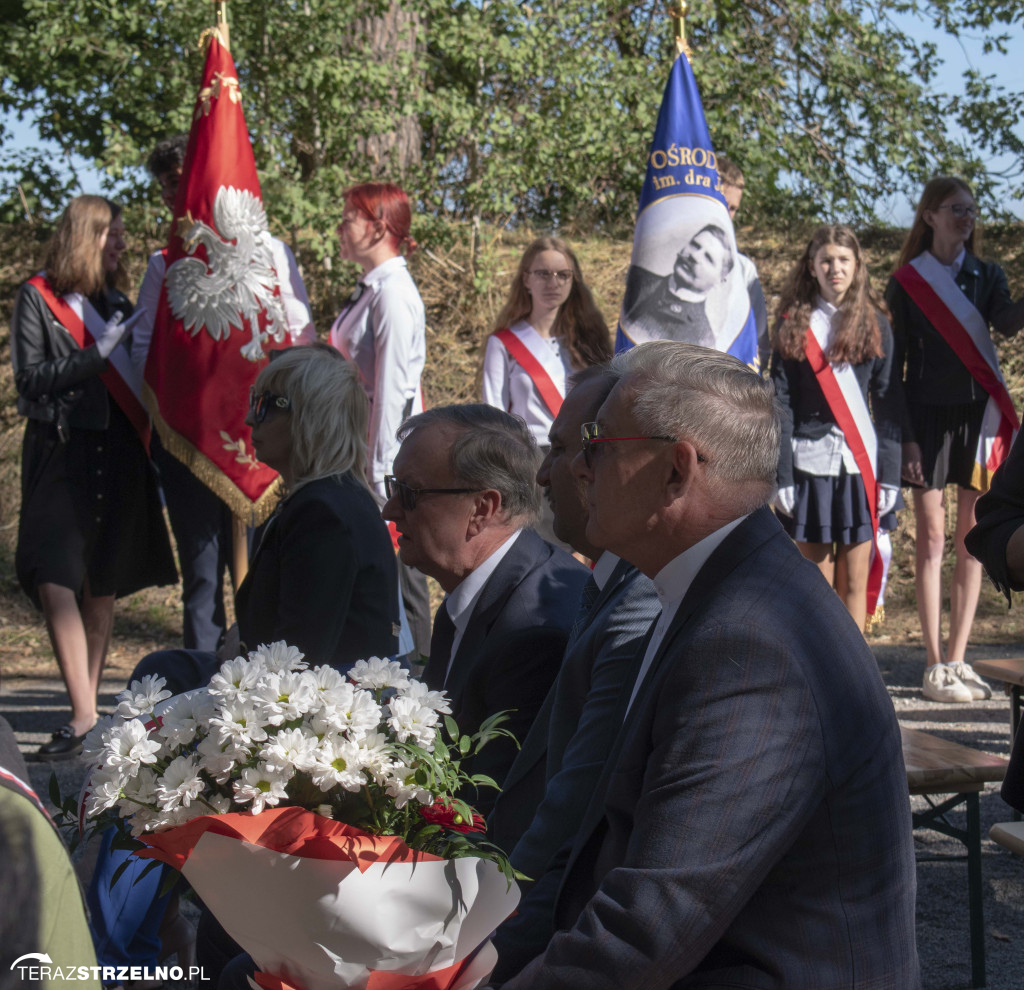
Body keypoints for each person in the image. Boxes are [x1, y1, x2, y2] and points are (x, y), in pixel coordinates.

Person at [498, 341, 919, 989]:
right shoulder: (712, 588)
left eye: (598, 446)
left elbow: (650, 926)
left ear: (676, 469)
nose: (578, 468)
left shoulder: (750, 642)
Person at [90, 344, 400, 973]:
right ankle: (152, 931)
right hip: (286, 707)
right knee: (164, 671)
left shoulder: (325, 512)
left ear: (307, 416)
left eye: (266, 405)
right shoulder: (326, 501)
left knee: (137, 775)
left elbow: (296, 665)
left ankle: (123, 956)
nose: (250, 420)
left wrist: (228, 661)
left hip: (299, 733)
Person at [487, 365, 660, 982]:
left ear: (603, 467)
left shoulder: (638, 605)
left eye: (557, 451)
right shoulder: (609, 581)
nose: (541, 474)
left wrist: (481, 959)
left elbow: (568, 819)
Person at [132, 134, 315, 653]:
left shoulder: (271, 253)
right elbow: (145, 350)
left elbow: (299, 330)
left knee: (269, 567)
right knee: (203, 575)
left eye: (182, 181)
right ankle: (199, 690)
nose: (176, 194)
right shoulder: (163, 264)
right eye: (169, 185)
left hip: (267, 436)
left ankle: (269, 682)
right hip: (189, 439)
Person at [11, 195, 176, 759]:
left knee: (101, 579)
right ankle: (82, 708)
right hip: (61, 450)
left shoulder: (118, 302)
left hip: (118, 452)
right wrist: (95, 355)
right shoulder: (37, 297)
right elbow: (30, 381)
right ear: (88, 235)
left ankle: (86, 717)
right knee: (54, 575)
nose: (123, 244)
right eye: (115, 235)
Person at [382, 404, 590, 814]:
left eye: (409, 493)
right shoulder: (476, 589)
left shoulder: (532, 634)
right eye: (393, 488)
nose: (389, 511)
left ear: (481, 509)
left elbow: (486, 815)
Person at [886, 176, 1024, 703]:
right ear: (930, 217)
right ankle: (932, 661)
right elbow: (895, 372)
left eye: (971, 209)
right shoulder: (907, 282)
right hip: (926, 422)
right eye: (955, 209)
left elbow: (1008, 325)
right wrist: (908, 442)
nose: (966, 218)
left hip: (979, 418)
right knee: (930, 537)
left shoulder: (988, 275)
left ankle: (960, 658)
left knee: (972, 535)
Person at [770, 225, 900, 631]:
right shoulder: (793, 324)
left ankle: (854, 685)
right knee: (816, 588)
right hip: (809, 468)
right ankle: (819, 683)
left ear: (857, 265)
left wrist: (891, 476)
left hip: (859, 468)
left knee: (854, 585)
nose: (835, 268)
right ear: (812, 267)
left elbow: (889, 400)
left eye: (843, 260)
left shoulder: (877, 323)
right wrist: (782, 475)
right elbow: (781, 402)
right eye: (826, 260)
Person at [328, 180, 430, 658]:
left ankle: (421, 688)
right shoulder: (373, 289)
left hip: (383, 461)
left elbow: (392, 391)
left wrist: (380, 473)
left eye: (349, 218)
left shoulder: (392, 295)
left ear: (378, 226)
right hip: (363, 453)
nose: (340, 228)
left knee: (402, 578)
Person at [481, 237, 610, 545]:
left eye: (562, 274)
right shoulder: (504, 344)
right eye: (543, 273)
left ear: (573, 280)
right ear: (526, 278)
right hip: (530, 460)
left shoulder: (589, 341)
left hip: (583, 456)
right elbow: (493, 416)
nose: (553, 282)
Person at [621, 224, 734, 347]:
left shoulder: (702, 340)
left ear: (719, 281)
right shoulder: (637, 278)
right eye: (695, 245)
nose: (694, 256)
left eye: (708, 258)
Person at [716, 154, 770, 368]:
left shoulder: (744, 270)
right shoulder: (664, 261)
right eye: (721, 203)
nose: (727, 215)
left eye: (733, 208)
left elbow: (760, 344)